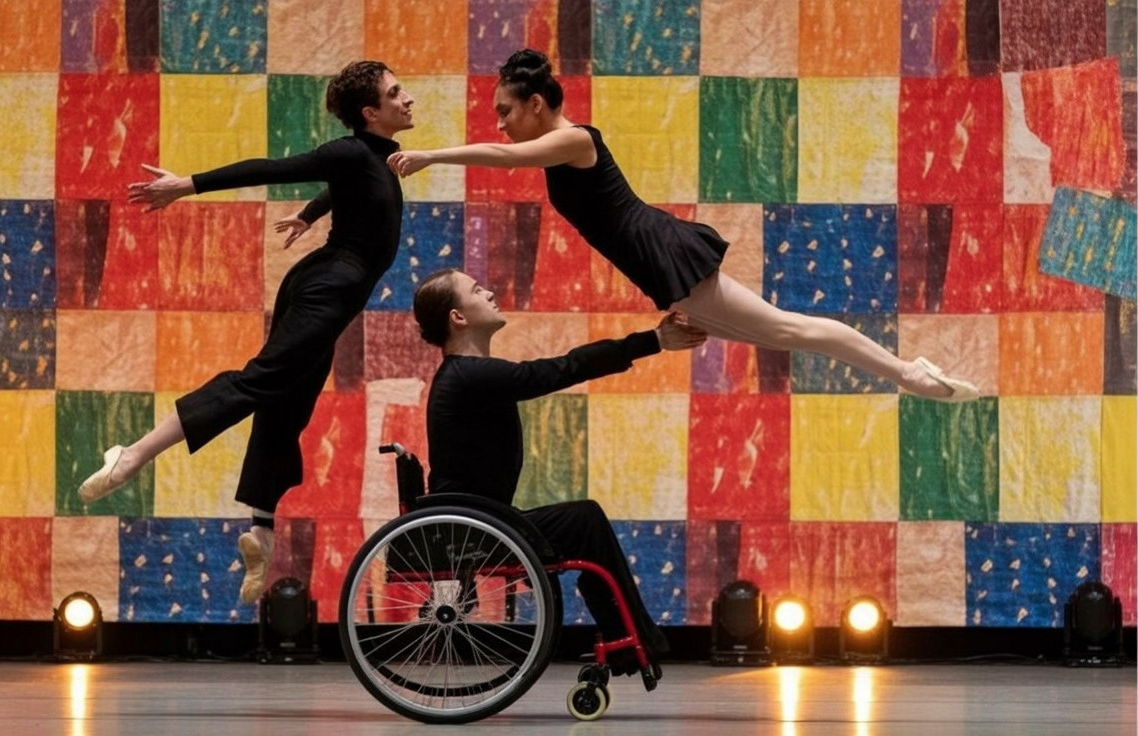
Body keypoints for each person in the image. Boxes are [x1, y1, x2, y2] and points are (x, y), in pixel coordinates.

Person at [389, 49, 979, 402]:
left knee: (790, 331)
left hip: (665, 253)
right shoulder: (557, 145)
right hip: (662, 264)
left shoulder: (571, 139)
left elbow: (509, 158)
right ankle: (907, 373)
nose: (502, 124)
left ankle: (909, 373)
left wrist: (432, 156)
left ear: (537, 105)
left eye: (505, 112)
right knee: (781, 334)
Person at [77, 60, 415, 605]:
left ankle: (260, 531)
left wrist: (309, 214)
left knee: (290, 401)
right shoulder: (351, 150)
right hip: (327, 288)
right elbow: (272, 167)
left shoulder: (377, 157)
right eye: (396, 93)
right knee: (264, 380)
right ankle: (134, 453)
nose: (409, 100)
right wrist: (188, 185)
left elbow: (350, 190)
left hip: (333, 289)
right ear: (371, 112)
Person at [413, 267, 707, 680]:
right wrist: (652, 341)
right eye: (477, 290)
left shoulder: (468, 376)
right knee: (583, 520)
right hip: (476, 527)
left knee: (583, 521)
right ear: (457, 317)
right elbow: (561, 369)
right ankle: (632, 641)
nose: (491, 290)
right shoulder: (466, 375)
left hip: (481, 521)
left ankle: (630, 641)